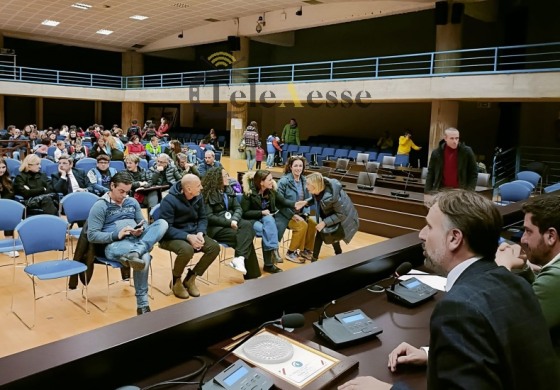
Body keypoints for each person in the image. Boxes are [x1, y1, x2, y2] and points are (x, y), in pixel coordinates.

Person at [339, 190, 560, 390]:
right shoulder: (516, 283)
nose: (422, 235)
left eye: (429, 226)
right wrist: (433, 355)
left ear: (454, 238)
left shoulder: (459, 308)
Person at [87, 172, 168, 315]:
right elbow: (92, 235)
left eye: (127, 191)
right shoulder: (100, 206)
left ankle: (136, 251)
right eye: (121, 191)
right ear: (112, 186)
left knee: (162, 223)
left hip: (135, 239)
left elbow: (140, 222)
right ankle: (143, 305)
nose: (124, 195)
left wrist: (140, 229)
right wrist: (116, 234)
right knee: (144, 258)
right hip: (114, 245)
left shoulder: (132, 202)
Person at [495, 194, 560, 356]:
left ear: (551, 236)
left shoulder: (556, 277)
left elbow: (507, 330)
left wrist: (501, 269)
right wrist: (524, 268)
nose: (523, 240)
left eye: (528, 231)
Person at [159, 174, 220, 299]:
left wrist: (200, 233)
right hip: (171, 236)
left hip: (193, 232)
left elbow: (203, 218)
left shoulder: (198, 197)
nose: (201, 187)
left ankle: (191, 278)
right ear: (188, 188)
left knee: (214, 247)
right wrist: (188, 237)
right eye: (198, 186)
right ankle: (176, 280)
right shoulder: (169, 200)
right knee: (187, 250)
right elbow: (166, 228)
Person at [241, 170, 307, 274]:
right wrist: (261, 212)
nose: (272, 181)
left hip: (267, 218)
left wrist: (295, 204)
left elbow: (283, 201)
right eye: (270, 180)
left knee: (269, 221)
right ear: (261, 182)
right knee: (267, 231)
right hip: (252, 219)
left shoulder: (271, 191)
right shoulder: (248, 193)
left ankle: (271, 258)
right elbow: (244, 213)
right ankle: (270, 261)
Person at [202, 167, 261, 280]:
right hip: (216, 228)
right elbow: (209, 217)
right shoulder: (207, 194)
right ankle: (252, 277)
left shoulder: (228, 189)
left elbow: (238, 208)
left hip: (232, 222)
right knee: (243, 239)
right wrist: (229, 223)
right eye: (225, 176)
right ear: (217, 178)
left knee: (248, 226)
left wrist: (234, 219)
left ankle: (239, 259)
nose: (228, 178)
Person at [305, 172, 358, 262]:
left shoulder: (333, 196)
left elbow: (341, 215)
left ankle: (314, 260)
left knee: (322, 234)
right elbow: (317, 198)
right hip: (329, 215)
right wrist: (305, 202)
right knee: (332, 234)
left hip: (340, 217)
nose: (306, 186)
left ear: (315, 185)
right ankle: (338, 253)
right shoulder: (319, 190)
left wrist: (324, 222)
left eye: (308, 184)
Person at [276, 156, 317, 263]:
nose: (298, 168)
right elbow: (279, 204)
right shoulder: (284, 181)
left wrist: (306, 214)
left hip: (301, 213)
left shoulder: (304, 180)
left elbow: (308, 200)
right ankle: (291, 252)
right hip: (285, 214)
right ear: (290, 167)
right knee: (302, 225)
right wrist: (292, 215)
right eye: (295, 166)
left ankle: (306, 250)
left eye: (300, 166)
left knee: (313, 222)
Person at [425, 127, 478, 193]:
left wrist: (470, 192)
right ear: (445, 138)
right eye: (452, 138)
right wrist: (427, 191)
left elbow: (473, 173)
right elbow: (431, 172)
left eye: (457, 138)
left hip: (460, 191)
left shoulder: (466, 151)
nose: (455, 141)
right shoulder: (436, 153)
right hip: (441, 190)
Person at [0, 157, 18, 257]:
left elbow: (10, 195)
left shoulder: (7, 179)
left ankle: (8, 245)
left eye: (3, 167)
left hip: (3, 207)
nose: (1, 170)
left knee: (9, 214)